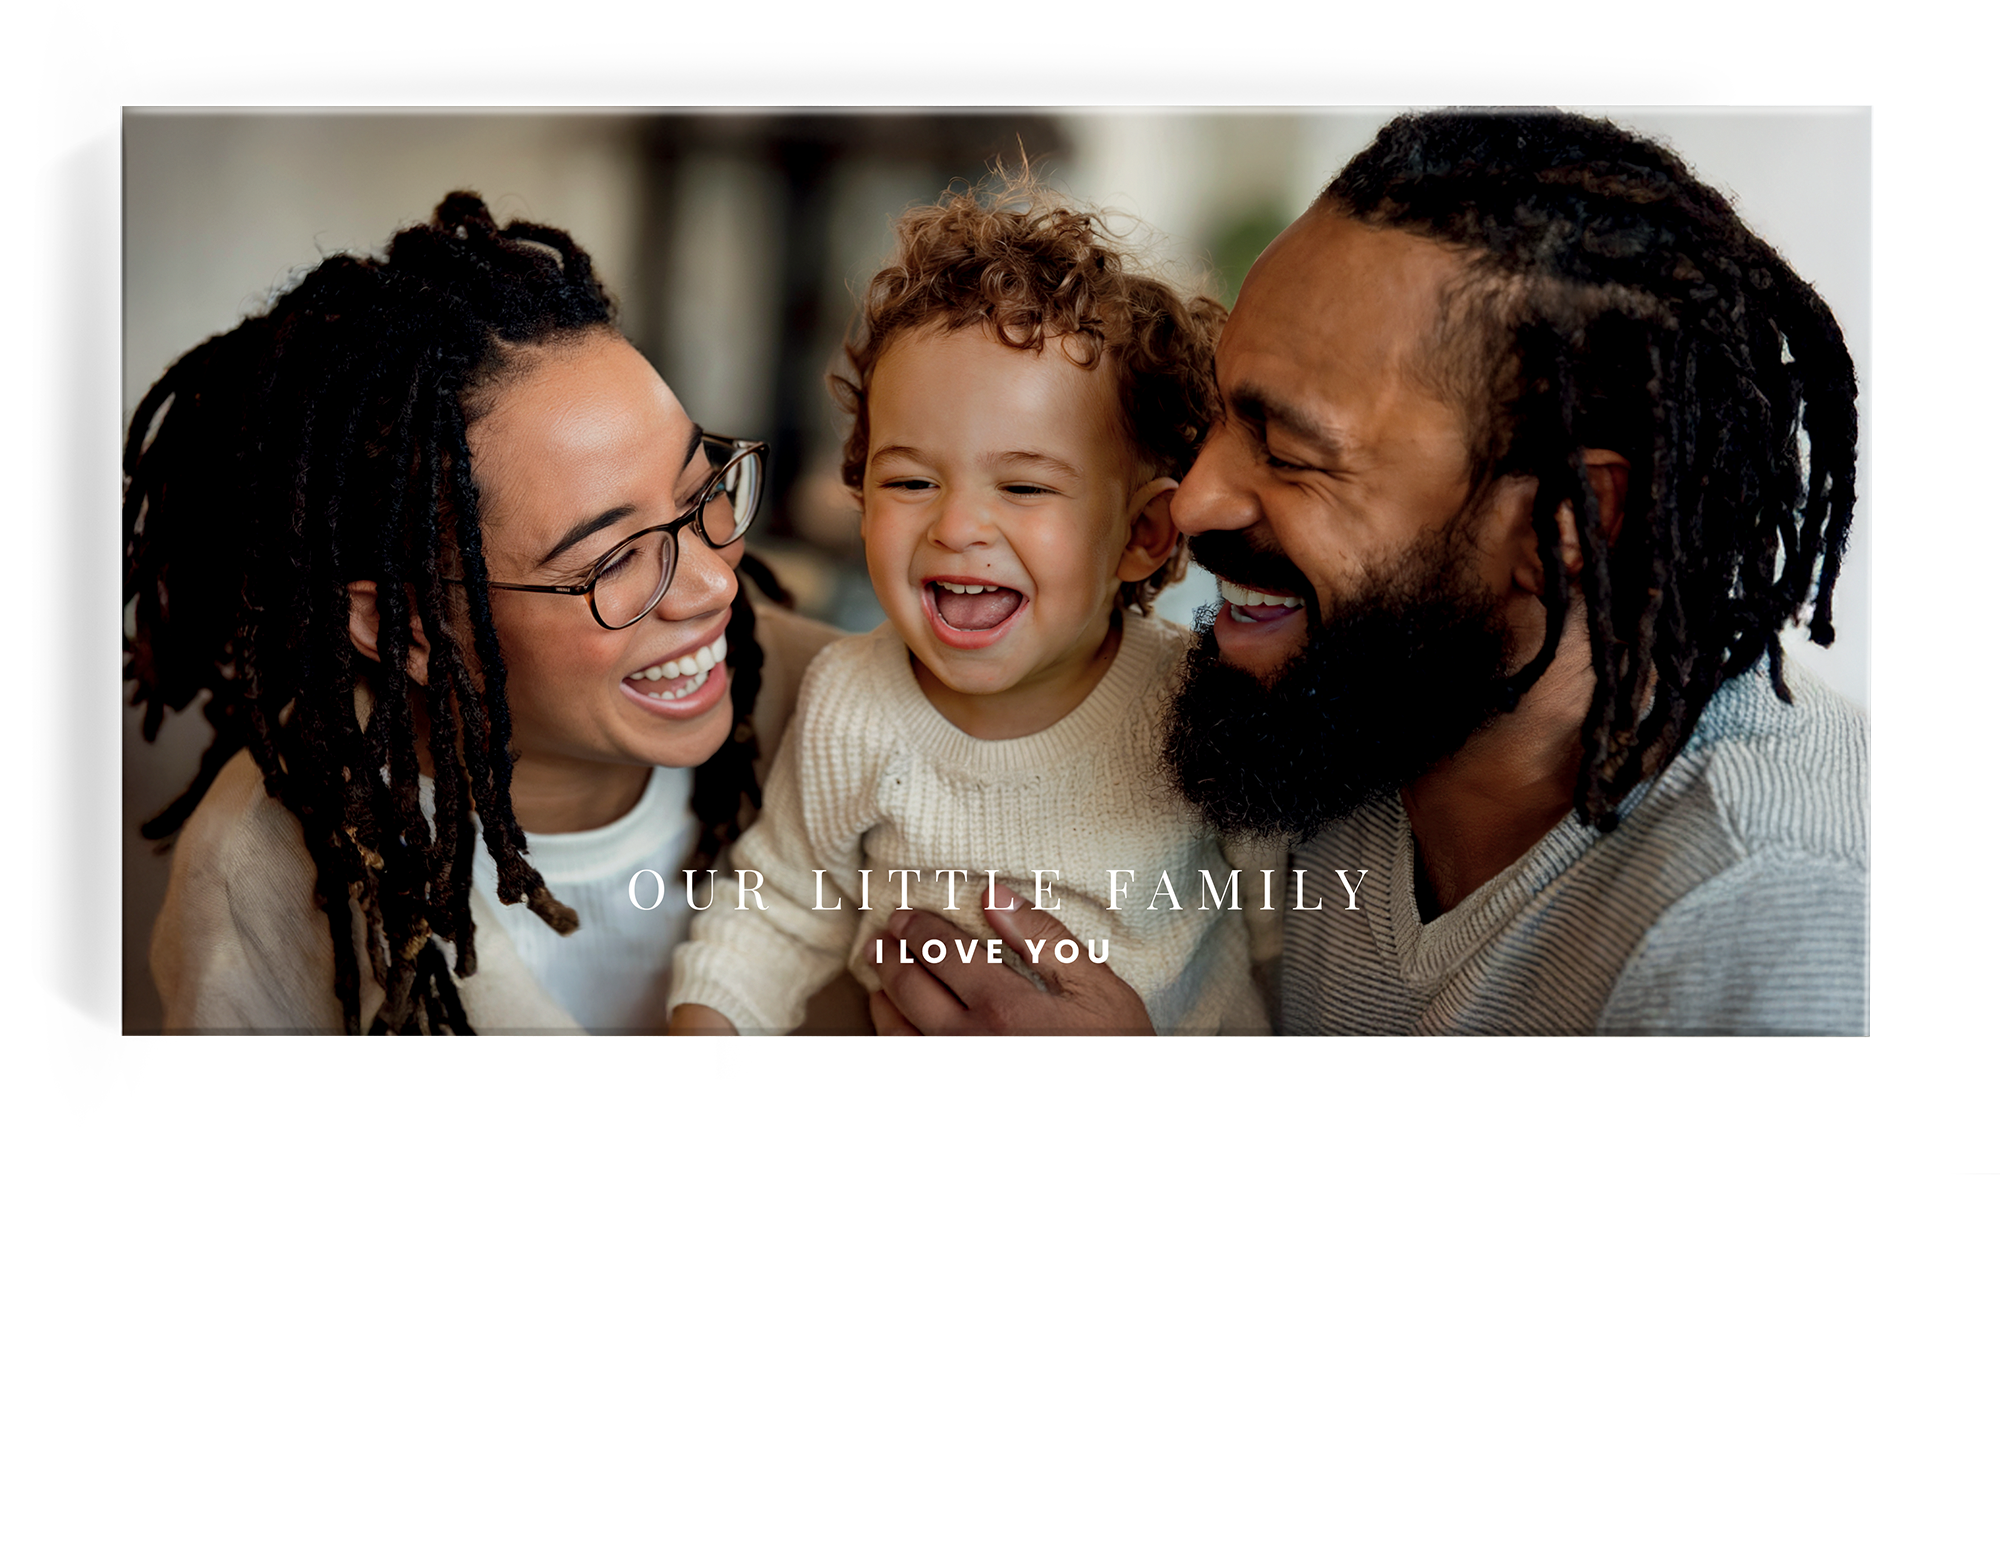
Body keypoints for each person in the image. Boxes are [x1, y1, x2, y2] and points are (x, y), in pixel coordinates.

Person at [867, 108, 1864, 1038]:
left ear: (1567, 524)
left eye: (1289, 452)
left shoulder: (1778, 928)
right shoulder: (1335, 714)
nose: (1194, 498)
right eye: (1220, 416)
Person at [128, 192, 846, 1034]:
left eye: (702, 493)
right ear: (404, 628)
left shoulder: (860, 715)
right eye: (614, 558)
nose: (713, 585)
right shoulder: (259, 877)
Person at [665, 179, 1284, 1037]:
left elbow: (1286, 942)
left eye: (1024, 486)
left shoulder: (1197, 704)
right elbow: (777, 910)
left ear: (1143, 534)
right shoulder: (851, 702)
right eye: (910, 482)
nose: (956, 527)